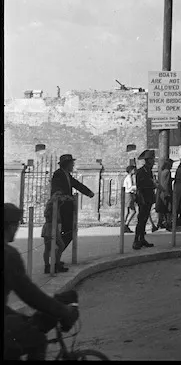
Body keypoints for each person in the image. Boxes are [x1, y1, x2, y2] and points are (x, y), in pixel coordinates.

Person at [4, 203, 79, 361]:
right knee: (37, 339)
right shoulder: (8, 255)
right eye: (17, 225)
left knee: (23, 327)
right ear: (11, 226)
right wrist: (62, 310)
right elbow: (30, 294)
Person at [49, 154, 95, 270]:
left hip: (67, 209)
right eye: (71, 163)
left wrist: (88, 193)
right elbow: (56, 189)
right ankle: (55, 259)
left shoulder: (67, 175)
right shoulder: (58, 174)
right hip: (60, 209)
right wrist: (63, 196)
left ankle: (56, 258)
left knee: (69, 232)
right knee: (67, 233)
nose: (73, 165)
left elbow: (77, 185)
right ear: (67, 164)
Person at [133, 150, 157, 250]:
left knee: (145, 218)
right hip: (143, 198)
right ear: (148, 161)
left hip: (148, 198)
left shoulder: (149, 171)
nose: (153, 162)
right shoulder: (141, 171)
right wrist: (152, 184)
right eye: (152, 160)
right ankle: (136, 240)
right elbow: (140, 186)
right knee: (141, 220)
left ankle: (142, 238)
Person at [41, 191, 68, 274]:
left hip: (53, 226)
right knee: (49, 247)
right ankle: (48, 266)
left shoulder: (56, 203)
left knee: (60, 245)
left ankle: (56, 264)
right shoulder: (52, 203)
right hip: (49, 226)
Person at [155, 159, 174, 231]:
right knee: (168, 209)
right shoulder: (167, 172)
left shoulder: (161, 171)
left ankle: (160, 222)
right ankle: (168, 224)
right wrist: (167, 193)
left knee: (161, 209)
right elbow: (166, 183)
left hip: (160, 192)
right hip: (165, 192)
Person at [122, 165, 137, 234]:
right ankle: (124, 225)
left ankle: (125, 224)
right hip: (128, 194)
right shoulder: (128, 178)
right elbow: (130, 188)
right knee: (129, 211)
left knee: (131, 211)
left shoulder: (130, 177)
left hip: (130, 194)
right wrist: (136, 187)